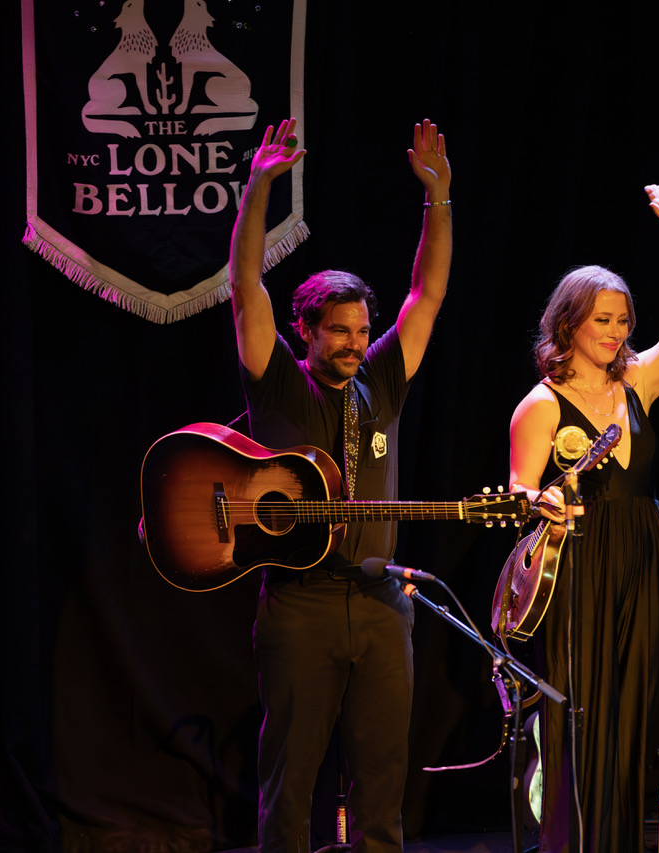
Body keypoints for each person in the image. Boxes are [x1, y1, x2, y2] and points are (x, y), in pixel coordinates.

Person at [228, 117, 452, 853]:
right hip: (302, 608)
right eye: (338, 331)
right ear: (305, 330)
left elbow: (427, 291)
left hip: (385, 605)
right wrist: (258, 188)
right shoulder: (278, 388)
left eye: (361, 330)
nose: (355, 343)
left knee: (382, 784)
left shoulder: (381, 380)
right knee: (290, 786)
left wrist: (437, 200)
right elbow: (243, 284)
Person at [507, 184, 659, 852]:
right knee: (576, 711)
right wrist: (540, 500)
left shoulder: (640, 382)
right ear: (568, 323)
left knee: (629, 713)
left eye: (623, 320)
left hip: (643, 551)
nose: (617, 332)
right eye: (602, 319)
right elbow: (518, 486)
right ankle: (567, 842)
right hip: (577, 560)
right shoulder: (540, 405)